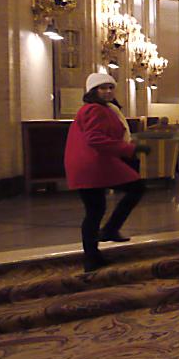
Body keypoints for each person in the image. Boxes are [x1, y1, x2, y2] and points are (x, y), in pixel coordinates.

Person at [64, 73, 150, 273]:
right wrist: (130, 149)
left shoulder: (104, 108)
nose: (108, 91)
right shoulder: (94, 109)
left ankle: (101, 243)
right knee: (97, 209)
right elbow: (95, 139)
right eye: (102, 88)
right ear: (93, 91)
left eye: (110, 88)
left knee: (100, 207)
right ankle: (94, 253)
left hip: (98, 162)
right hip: (92, 164)